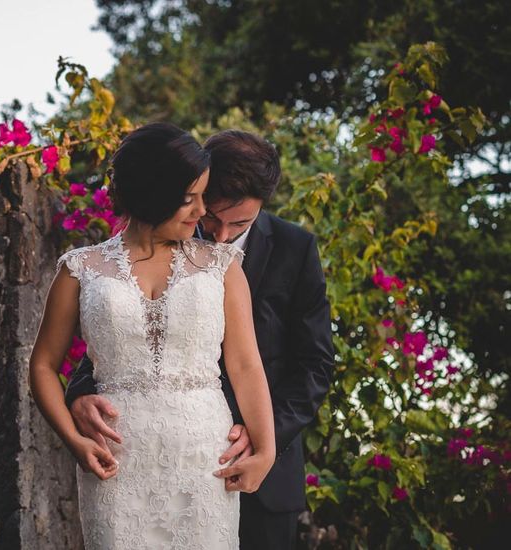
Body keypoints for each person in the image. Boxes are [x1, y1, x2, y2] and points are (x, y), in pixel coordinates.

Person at [65, 129, 335, 549]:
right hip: (149, 464)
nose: (222, 235)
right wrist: (80, 394)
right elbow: (124, 333)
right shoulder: (161, 235)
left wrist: (264, 436)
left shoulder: (295, 249)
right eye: (212, 218)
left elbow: (315, 363)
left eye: (240, 223)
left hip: (262, 476)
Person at [29, 123, 276, 548]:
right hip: (117, 462)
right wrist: (72, 438)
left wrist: (266, 451)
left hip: (203, 459)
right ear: (152, 194)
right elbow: (43, 365)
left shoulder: (222, 266)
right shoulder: (81, 268)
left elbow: (245, 363)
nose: (202, 213)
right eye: (189, 200)